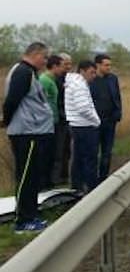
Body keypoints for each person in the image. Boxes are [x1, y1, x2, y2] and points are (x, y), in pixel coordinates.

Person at [2, 42, 54, 232]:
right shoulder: (23, 72)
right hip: (26, 133)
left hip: (34, 131)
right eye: (45, 57)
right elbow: (12, 100)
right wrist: (6, 121)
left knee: (32, 177)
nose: (46, 61)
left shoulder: (29, 73)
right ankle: (23, 221)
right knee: (26, 176)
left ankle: (31, 214)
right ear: (35, 54)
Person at [66, 61, 101, 194]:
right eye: (91, 72)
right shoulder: (79, 85)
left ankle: (77, 187)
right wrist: (96, 120)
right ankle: (91, 188)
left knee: (78, 158)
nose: (94, 76)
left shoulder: (74, 83)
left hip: (77, 125)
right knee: (90, 158)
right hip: (85, 126)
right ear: (82, 71)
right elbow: (83, 108)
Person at [90, 54, 122, 183]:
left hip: (110, 121)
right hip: (95, 122)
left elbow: (117, 97)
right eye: (106, 65)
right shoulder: (91, 80)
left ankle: (103, 178)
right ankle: (92, 180)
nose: (109, 67)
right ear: (97, 65)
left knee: (107, 152)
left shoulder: (113, 79)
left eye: (110, 65)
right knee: (93, 152)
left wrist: (118, 113)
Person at [39, 55, 65, 188]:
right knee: (45, 155)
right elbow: (40, 102)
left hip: (54, 122)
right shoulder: (44, 80)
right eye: (61, 66)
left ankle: (49, 182)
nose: (63, 69)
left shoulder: (52, 80)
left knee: (53, 153)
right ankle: (43, 184)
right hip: (46, 124)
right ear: (54, 66)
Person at [53, 53, 73, 184]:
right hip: (59, 120)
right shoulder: (55, 79)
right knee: (58, 151)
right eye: (65, 64)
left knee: (67, 150)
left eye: (70, 64)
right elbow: (56, 101)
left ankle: (65, 177)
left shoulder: (69, 79)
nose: (68, 67)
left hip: (68, 119)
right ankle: (55, 179)